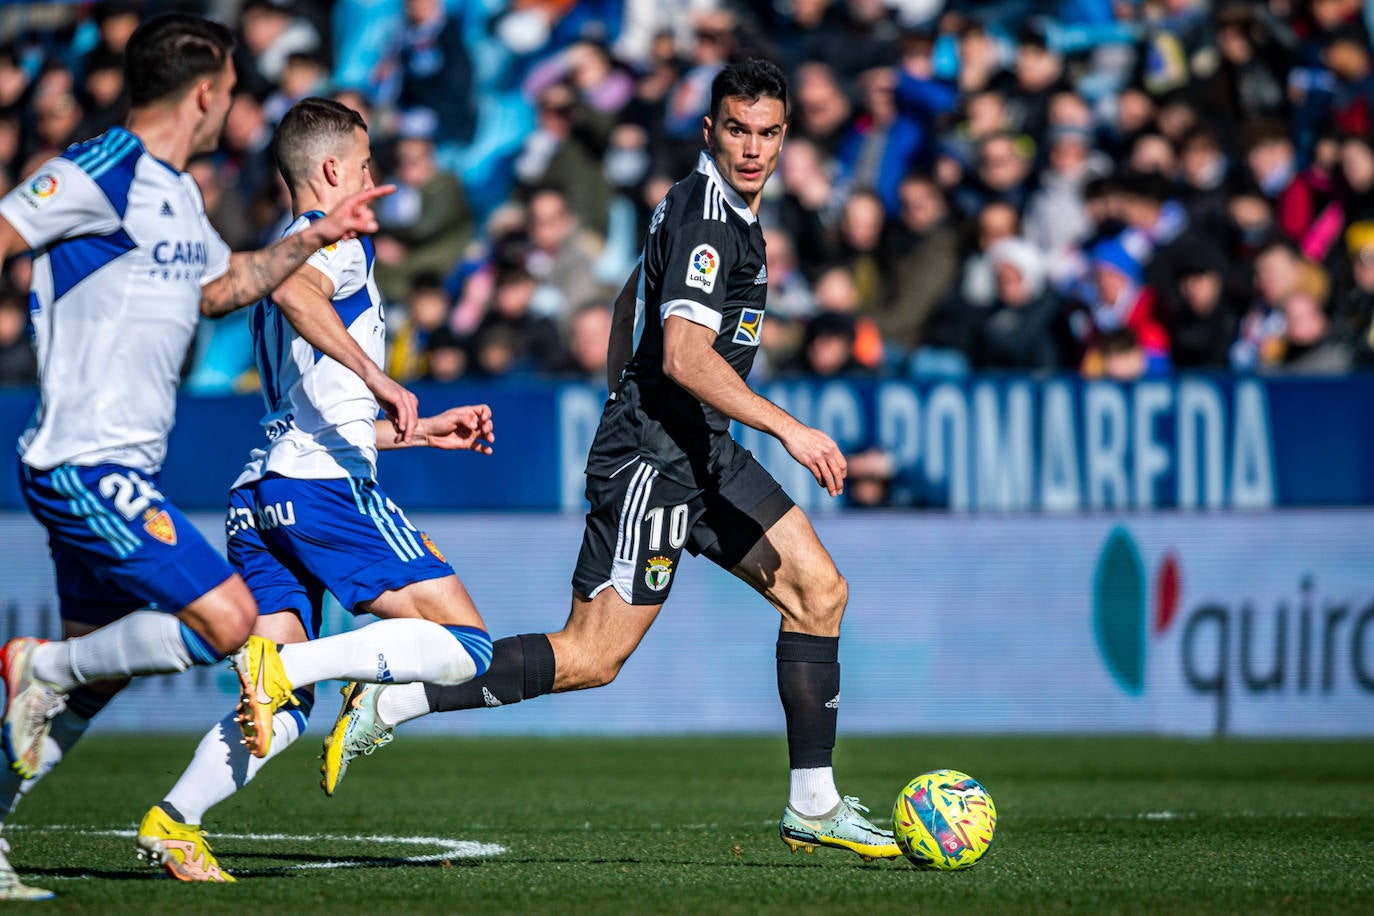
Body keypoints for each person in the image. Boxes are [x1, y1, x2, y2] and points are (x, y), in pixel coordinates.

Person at [318, 59, 902, 864]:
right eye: (737, 129)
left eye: (769, 132)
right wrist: (787, 431)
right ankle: (398, 700)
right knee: (593, 657)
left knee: (819, 592)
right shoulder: (706, 219)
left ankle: (814, 803)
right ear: (711, 130)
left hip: (702, 450)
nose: (753, 148)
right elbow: (687, 355)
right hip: (656, 459)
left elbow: (632, 305)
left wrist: (634, 395)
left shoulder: (725, 211)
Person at [0, 16, 393, 901]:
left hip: (122, 471)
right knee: (229, 624)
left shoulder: (177, 195)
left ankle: (29, 735)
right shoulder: (103, 170)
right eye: (232, 86)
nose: (236, 102)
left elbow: (224, 290)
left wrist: (313, 236)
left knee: (92, 681)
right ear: (207, 91)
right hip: (81, 462)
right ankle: (39, 667)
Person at [133, 97, 497, 882]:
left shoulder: (276, 250)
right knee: (465, 650)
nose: (373, 180)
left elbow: (318, 398)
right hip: (321, 486)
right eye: (367, 167)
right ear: (332, 172)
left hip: (262, 492)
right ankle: (289, 672)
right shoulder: (337, 252)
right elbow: (301, 299)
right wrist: (379, 374)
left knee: (282, 713)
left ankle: (174, 820)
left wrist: (421, 428)